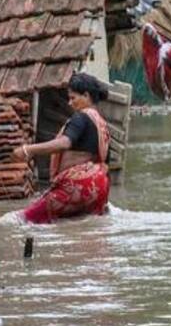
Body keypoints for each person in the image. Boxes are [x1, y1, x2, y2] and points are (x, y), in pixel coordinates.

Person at [11, 73, 111, 223]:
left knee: (20, 220)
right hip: (100, 186)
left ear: (86, 95)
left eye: (73, 98)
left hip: (78, 186)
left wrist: (28, 150)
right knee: (82, 225)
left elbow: (64, 143)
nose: (70, 103)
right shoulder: (102, 124)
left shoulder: (81, 118)